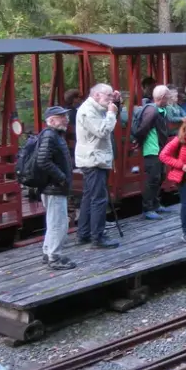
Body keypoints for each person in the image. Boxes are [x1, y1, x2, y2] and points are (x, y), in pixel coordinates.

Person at [75, 83, 119, 249]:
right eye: (107, 96)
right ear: (96, 95)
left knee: (89, 197)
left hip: (95, 158)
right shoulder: (88, 111)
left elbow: (109, 116)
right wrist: (111, 113)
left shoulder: (95, 107)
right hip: (93, 160)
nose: (110, 100)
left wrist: (115, 105)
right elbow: (102, 131)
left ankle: (84, 233)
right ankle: (98, 237)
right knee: (99, 199)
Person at [35, 106, 76, 270]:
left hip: (53, 187)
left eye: (65, 116)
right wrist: (61, 178)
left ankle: (48, 252)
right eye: (61, 117)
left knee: (53, 221)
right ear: (51, 120)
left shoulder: (53, 135)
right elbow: (43, 161)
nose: (66, 119)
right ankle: (55, 257)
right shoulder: (50, 136)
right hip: (54, 187)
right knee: (59, 223)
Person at [133, 85, 172, 220]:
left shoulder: (162, 109)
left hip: (160, 149)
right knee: (152, 179)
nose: (169, 99)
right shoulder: (152, 111)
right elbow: (142, 129)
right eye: (167, 96)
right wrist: (138, 141)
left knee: (161, 176)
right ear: (162, 97)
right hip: (152, 150)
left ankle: (155, 204)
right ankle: (147, 209)